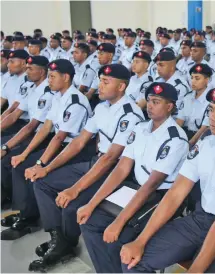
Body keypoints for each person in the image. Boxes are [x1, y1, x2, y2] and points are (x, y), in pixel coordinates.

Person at [120, 82, 215, 273]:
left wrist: (195, 270)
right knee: (133, 261)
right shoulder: (205, 144)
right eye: (212, 110)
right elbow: (175, 194)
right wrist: (140, 241)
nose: (212, 117)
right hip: (199, 220)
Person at [27, 64, 144, 270]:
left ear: (121, 86)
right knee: (43, 182)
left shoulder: (130, 114)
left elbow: (111, 158)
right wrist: (46, 167)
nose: (99, 85)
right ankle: (60, 239)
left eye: (106, 81)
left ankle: (64, 243)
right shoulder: (101, 107)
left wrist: (75, 188)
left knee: (72, 205)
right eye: (100, 80)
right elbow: (79, 142)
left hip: (115, 170)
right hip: (95, 162)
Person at [77, 82, 189, 273]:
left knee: (119, 237)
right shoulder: (140, 128)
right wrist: (91, 203)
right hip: (135, 188)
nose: (150, 106)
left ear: (169, 107)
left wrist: (118, 221)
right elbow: (121, 168)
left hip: (160, 196)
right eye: (149, 101)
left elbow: (152, 184)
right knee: (89, 221)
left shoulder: (175, 139)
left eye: (156, 102)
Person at [2, 59, 93, 240]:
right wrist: (24, 154)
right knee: (21, 164)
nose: (49, 80)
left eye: (52, 76)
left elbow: (60, 137)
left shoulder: (75, 100)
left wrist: (40, 163)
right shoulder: (58, 96)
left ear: (66, 77)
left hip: (76, 149)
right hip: (61, 144)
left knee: (36, 174)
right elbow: (45, 128)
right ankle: (26, 213)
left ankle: (53, 232)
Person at [1, 56, 53, 210]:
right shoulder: (32, 88)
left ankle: (23, 213)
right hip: (32, 132)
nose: (26, 71)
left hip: (44, 136)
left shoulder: (47, 92)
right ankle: (8, 198)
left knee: (11, 162)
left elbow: (32, 126)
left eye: (30, 68)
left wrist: (6, 148)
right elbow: (15, 113)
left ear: (42, 71)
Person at [176, 64, 212, 144]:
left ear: (207, 80)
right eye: (192, 78)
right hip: (185, 134)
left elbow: (204, 128)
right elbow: (179, 121)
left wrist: (190, 143)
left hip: (201, 138)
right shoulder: (187, 97)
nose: (193, 81)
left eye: (197, 78)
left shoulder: (211, 101)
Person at [1, 50, 31, 136]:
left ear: (22, 63)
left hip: (22, 122)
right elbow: (1, 100)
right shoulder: (11, 78)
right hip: (9, 117)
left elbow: (14, 109)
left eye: (12, 62)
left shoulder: (29, 81)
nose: (8, 65)